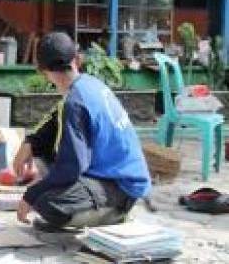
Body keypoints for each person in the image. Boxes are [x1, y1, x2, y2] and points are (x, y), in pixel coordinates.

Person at [13, 32, 151, 232]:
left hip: (121, 187)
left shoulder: (75, 102)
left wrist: (31, 196)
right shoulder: (87, 84)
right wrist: (30, 144)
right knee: (44, 160)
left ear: (43, 71)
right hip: (117, 174)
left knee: (46, 203)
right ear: (76, 60)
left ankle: (113, 213)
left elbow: (71, 168)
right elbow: (54, 121)